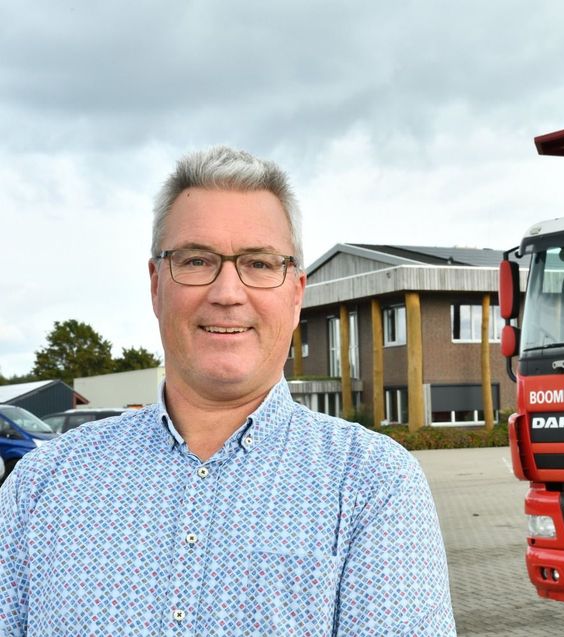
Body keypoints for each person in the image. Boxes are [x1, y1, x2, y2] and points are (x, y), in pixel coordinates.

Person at [0, 146, 457, 635]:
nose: (227, 292)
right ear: (156, 285)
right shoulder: (40, 486)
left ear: (297, 292)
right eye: (197, 260)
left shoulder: (372, 485)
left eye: (259, 264)